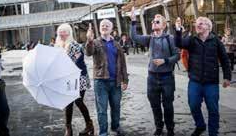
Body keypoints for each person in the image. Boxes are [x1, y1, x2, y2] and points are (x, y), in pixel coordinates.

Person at [175, 17, 231, 136]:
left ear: (208, 27)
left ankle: (213, 132)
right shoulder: (192, 40)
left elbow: (225, 59)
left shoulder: (216, 41)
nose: (197, 25)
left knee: (213, 109)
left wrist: (227, 77)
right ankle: (200, 125)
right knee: (193, 105)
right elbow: (178, 43)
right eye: (197, 24)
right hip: (195, 81)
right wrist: (178, 30)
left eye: (201, 24)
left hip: (211, 82)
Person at [130, 8, 179, 136]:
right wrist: (133, 21)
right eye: (153, 22)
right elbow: (134, 37)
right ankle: (158, 126)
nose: (154, 23)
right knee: (154, 104)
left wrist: (165, 61)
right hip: (152, 77)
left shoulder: (170, 38)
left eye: (157, 22)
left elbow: (177, 56)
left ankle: (170, 128)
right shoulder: (149, 38)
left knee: (168, 105)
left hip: (167, 77)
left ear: (163, 25)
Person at [85, 20, 128, 136]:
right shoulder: (95, 42)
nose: (104, 27)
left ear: (111, 29)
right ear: (99, 29)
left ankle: (115, 127)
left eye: (107, 26)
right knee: (102, 109)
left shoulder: (117, 44)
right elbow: (88, 52)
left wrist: (125, 80)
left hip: (116, 81)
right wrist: (89, 40)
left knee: (116, 107)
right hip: (101, 81)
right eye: (102, 25)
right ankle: (103, 132)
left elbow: (123, 64)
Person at [55, 23, 94, 136]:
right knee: (68, 103)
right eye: (60, 31)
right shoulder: (57, 46)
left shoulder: (74, 45)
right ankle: (68, 128)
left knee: (78, 100)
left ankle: (89, 124)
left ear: (69, 33)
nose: (62, 33)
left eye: (65, 31)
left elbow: (78, 60)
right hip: (66, 78)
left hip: (79, 77)